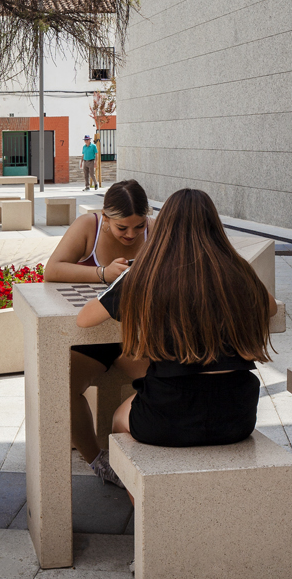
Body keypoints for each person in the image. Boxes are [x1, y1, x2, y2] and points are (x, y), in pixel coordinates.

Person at [75, 187, 278, 457]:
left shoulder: (145, 271)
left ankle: (138, 495)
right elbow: (271, 307)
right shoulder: (236, 269)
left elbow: (85, 319)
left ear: (165, 226)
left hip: (168, 414)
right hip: (237, 415)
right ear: (214, 225)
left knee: (119, 421)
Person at [43, 178, 151, 484]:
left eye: (138, 226)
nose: (131, 234)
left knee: (161, 379)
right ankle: (97, 460)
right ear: (105, 218)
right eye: (122, 228)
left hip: (135, 336)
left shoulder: (155, 231)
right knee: (63, 386)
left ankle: (152, 452)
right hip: (92, 337)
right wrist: (102, 273)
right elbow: (52, 270)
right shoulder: (87, 226)